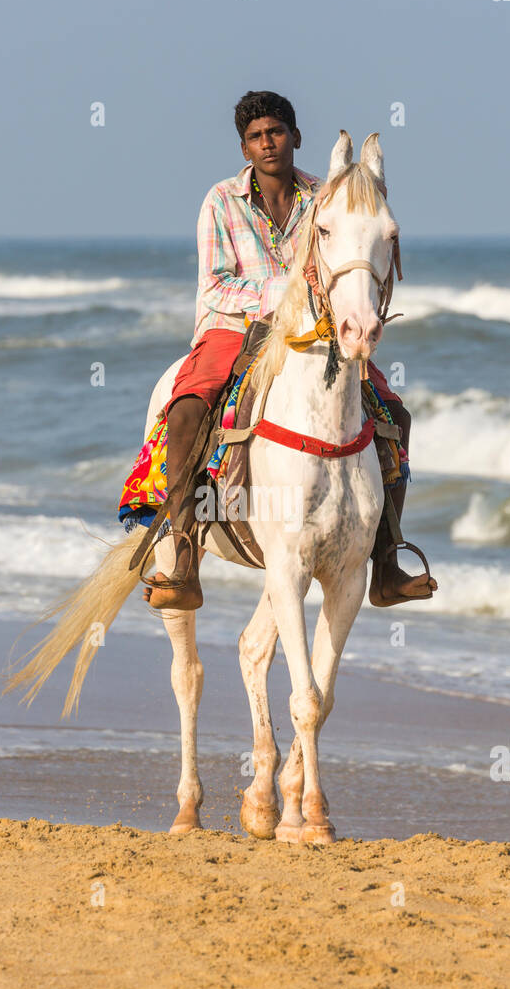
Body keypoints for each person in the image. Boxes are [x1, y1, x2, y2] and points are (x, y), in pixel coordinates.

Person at [142, 89, 437, 611]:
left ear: (296, 137)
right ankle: (185, 551)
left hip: (309, 332)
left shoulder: (324, 199)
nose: (267, 143)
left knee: (394, 413)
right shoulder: (220, 201)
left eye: (276, 132)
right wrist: (281, 294)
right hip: (233, 326)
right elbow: (214, 285)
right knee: (188, 410)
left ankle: (386, 560)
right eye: (256, 137)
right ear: (244, 149)